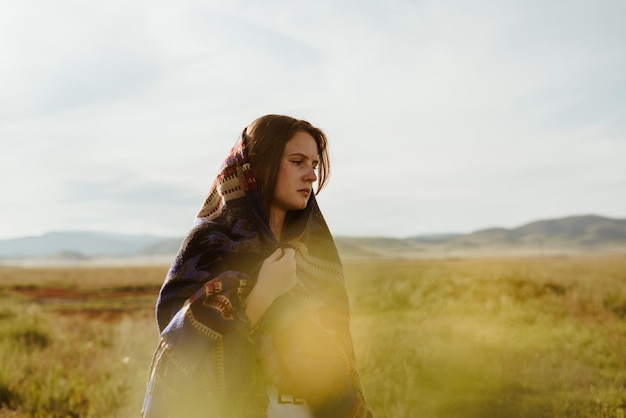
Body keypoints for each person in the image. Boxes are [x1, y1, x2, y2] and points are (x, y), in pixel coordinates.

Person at [141, 114, 372, 417]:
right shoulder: (209, 248)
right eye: (297, 161)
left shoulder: (316, 257)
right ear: (257, 168)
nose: (311, 176)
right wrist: (263, 293)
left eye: (314, 165)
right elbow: (183, 362)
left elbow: (339, 368)